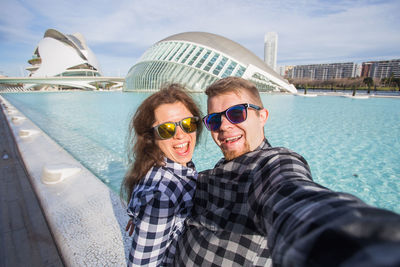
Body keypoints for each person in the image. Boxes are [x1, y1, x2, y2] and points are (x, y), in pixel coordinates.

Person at [173, 77, 400, 266]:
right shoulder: (217, 172)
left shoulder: (272, 165)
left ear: (262, 116)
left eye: (236, 114)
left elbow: (295, 199)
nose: (223, 126)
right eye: (214, 120)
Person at [121, 84, 203, 266]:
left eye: (188, 124)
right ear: (151, 137)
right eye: (167, 129)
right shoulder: (161, 196)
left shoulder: (171, 167)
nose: (181, 135)